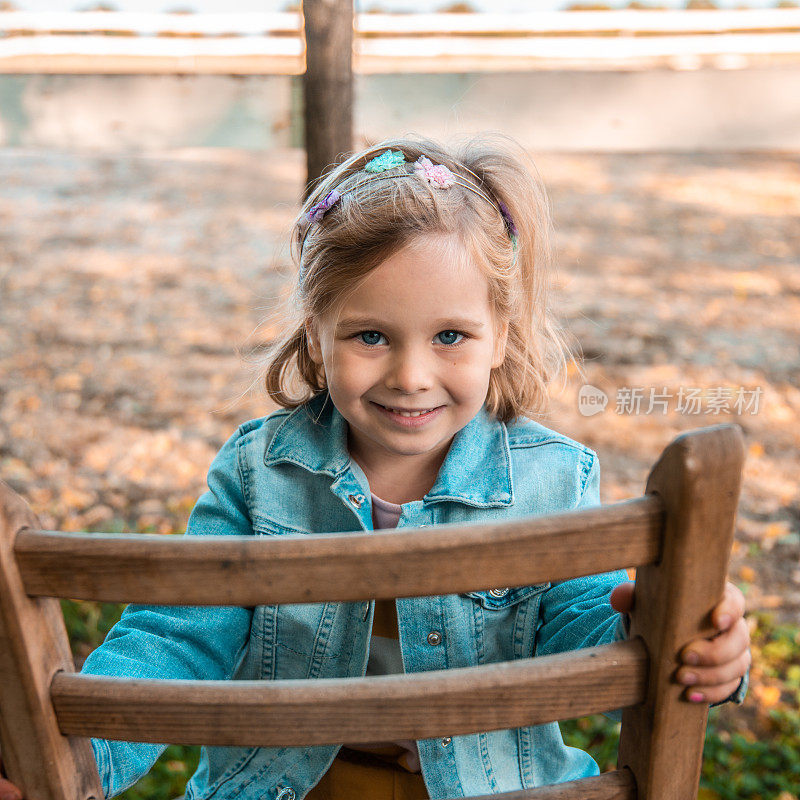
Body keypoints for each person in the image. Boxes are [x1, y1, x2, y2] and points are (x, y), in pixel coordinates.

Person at [0, 134, 750, 800]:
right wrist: (81, 758)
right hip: (295, 784)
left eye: (451, 334)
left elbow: (590, 628)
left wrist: (686, 635)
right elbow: (179, 635)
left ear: (501, 335)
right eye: (370, 336)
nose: (412, 375)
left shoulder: (552, 480)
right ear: (317, 337)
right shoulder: (262, 474)